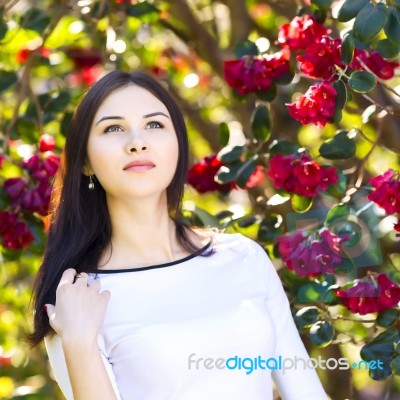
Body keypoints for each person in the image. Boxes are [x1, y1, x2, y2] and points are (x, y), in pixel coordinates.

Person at [29, 70, 328, 400]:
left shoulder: (242, 258)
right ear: (84, 160)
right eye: (113, 128)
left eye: (155, 125)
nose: (138, 142)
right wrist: (79, 342)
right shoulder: (77, 299)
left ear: (178, 144)